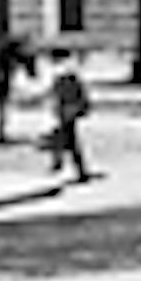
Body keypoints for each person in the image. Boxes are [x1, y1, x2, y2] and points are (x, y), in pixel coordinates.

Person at [42, 48, 93, 184]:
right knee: (67, 138)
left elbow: (55, 92)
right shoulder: (70, 72)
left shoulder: (59, 73)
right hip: (69, 110)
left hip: (64, 110)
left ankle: (62, 165)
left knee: (65, 139)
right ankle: (73, 167)